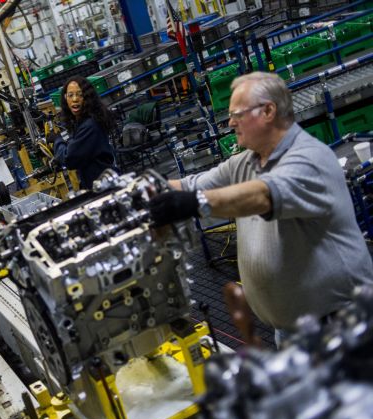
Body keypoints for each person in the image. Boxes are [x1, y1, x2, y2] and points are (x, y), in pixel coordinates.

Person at [148, 72, 373, 347]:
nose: (230, 122)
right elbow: (188, 185)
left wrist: (195, 203)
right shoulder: (245, 162)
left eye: (237, 114)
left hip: (341, 323)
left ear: (268, 111)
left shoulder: (309, 158)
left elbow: (264, 194)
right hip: (290, 330)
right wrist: (141, 190)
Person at [52, 76, 117, 190]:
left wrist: (57, 141)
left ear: (88, 98)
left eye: (80, 95)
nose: (75, 99)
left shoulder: (90, 125)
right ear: (65, 98)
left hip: (103, 186)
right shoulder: (82, 122)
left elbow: (69, 159)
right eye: (70, 95)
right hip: (97, 183)